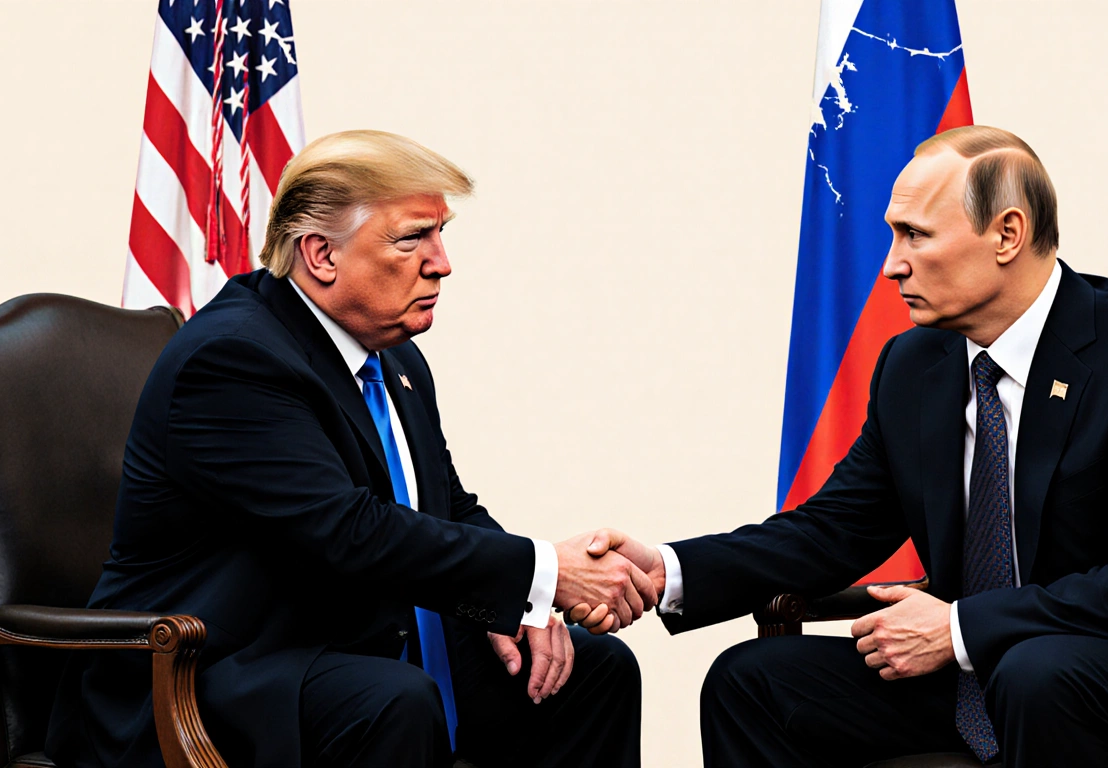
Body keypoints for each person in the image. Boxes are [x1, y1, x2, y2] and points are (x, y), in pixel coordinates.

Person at [571, 125, 1108, 766]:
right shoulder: (915, 365)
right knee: (755, 678)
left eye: (915, 235)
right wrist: (668, 569)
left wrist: (958, 627)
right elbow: (833, 528)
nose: (891, 264)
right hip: (994, 668)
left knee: (1039, 673)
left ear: (1007, 234)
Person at [46, 130, 655, 768]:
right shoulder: (232, 359)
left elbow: (445, 507)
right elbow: (349, 531)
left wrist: (515, 604)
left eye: (441, 233)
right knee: (394, 699)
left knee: (591, 672)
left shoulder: (395, 361)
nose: (442, 261)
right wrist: (544, 571)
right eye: (412, 237)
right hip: (210, 672)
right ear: (321, 255)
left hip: (344, 644)